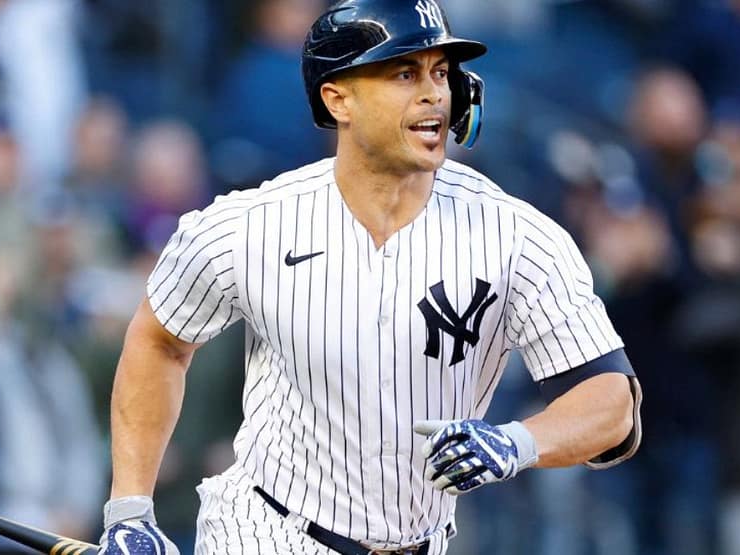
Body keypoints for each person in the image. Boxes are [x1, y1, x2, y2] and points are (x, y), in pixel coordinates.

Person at [98, 1, 642, 554]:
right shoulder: (250, 224)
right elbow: (160, 340)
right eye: (404, 73)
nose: (434, 94)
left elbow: (610, 403)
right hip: (266, 531)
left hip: (421, 541)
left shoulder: (518, 236)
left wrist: (515, 442)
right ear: (339, 100)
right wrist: (130, 510)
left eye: (440, 73)